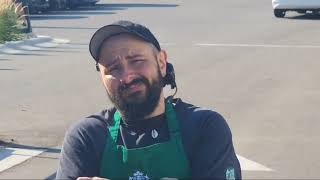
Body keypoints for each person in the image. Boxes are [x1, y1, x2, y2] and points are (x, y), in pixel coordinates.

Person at [56, 20, 242, 180]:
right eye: (113, 68)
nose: (127, 76)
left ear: (161, 62)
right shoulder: (87, 137)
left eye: (136, 60)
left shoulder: (203, 127)